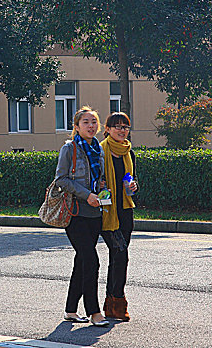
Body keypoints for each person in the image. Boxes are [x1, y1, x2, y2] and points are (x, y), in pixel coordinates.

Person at [54, 106, 108, 327]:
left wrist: (101, 186)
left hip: (94, 213)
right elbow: (61, 180)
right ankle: (94, 312)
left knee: (82, 261)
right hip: (75, 213)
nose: (91, 126)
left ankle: (70, 310)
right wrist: (87, 195)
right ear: (76, 127)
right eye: (86, 122)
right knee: (91, 260)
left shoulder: (98, 149)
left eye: (94, 122)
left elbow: (98, 177)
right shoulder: (70, 149)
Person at [99, 112, 139, 322]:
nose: (121, 130)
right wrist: (99, 186)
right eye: (117, 126)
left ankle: (110, 305)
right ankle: (119, 300)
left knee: (116, 257)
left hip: (125, 210)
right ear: (107, 129)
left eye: (125, 126)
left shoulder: (128, 153)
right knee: (121, 254)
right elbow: (90, 178)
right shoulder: (100, 151)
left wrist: (133, 186)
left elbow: (131, 180)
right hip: (107, 212)